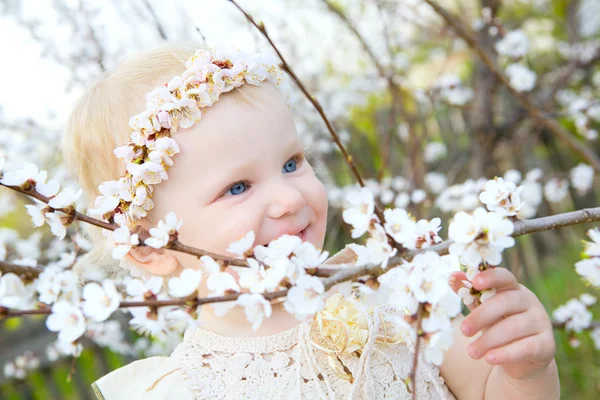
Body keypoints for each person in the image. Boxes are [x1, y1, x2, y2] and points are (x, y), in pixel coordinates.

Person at [62, 43, 559, 399]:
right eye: (237, 187)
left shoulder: (395, 297)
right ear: (149, 245)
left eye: (292, 163)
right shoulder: (186, 390)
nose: (286, 197)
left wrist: (522, 374)